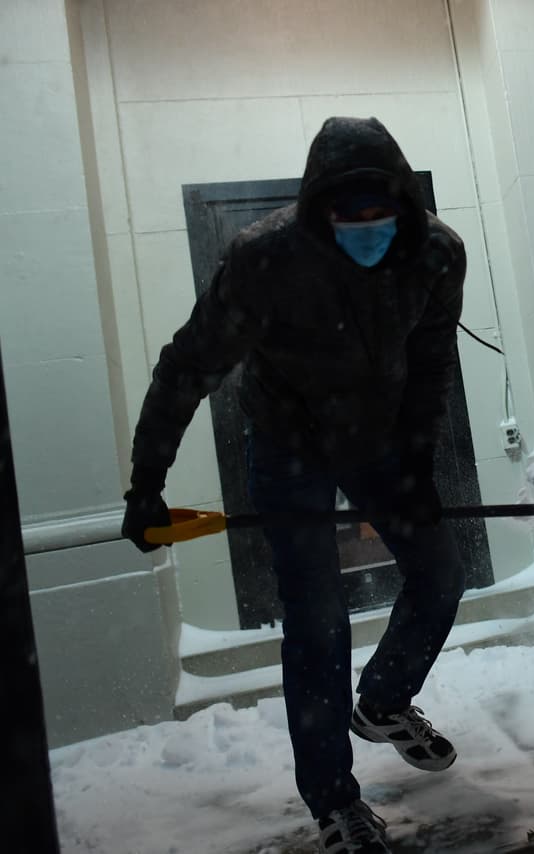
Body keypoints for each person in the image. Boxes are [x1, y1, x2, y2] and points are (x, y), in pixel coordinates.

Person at [120, 116, 468, 853]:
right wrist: (146, 482)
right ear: (321, 210)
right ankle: (333, 800)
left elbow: (433, 363)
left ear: (404, 204)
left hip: (375, 437)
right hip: (289, 443)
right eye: (350, 214)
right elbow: (187, 368)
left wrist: (416, 461)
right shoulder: (265, 260)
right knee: (317, 617)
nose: (368, 226)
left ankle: (381, 703)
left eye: (382, 211)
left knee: (440, 573)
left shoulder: (436, 253)